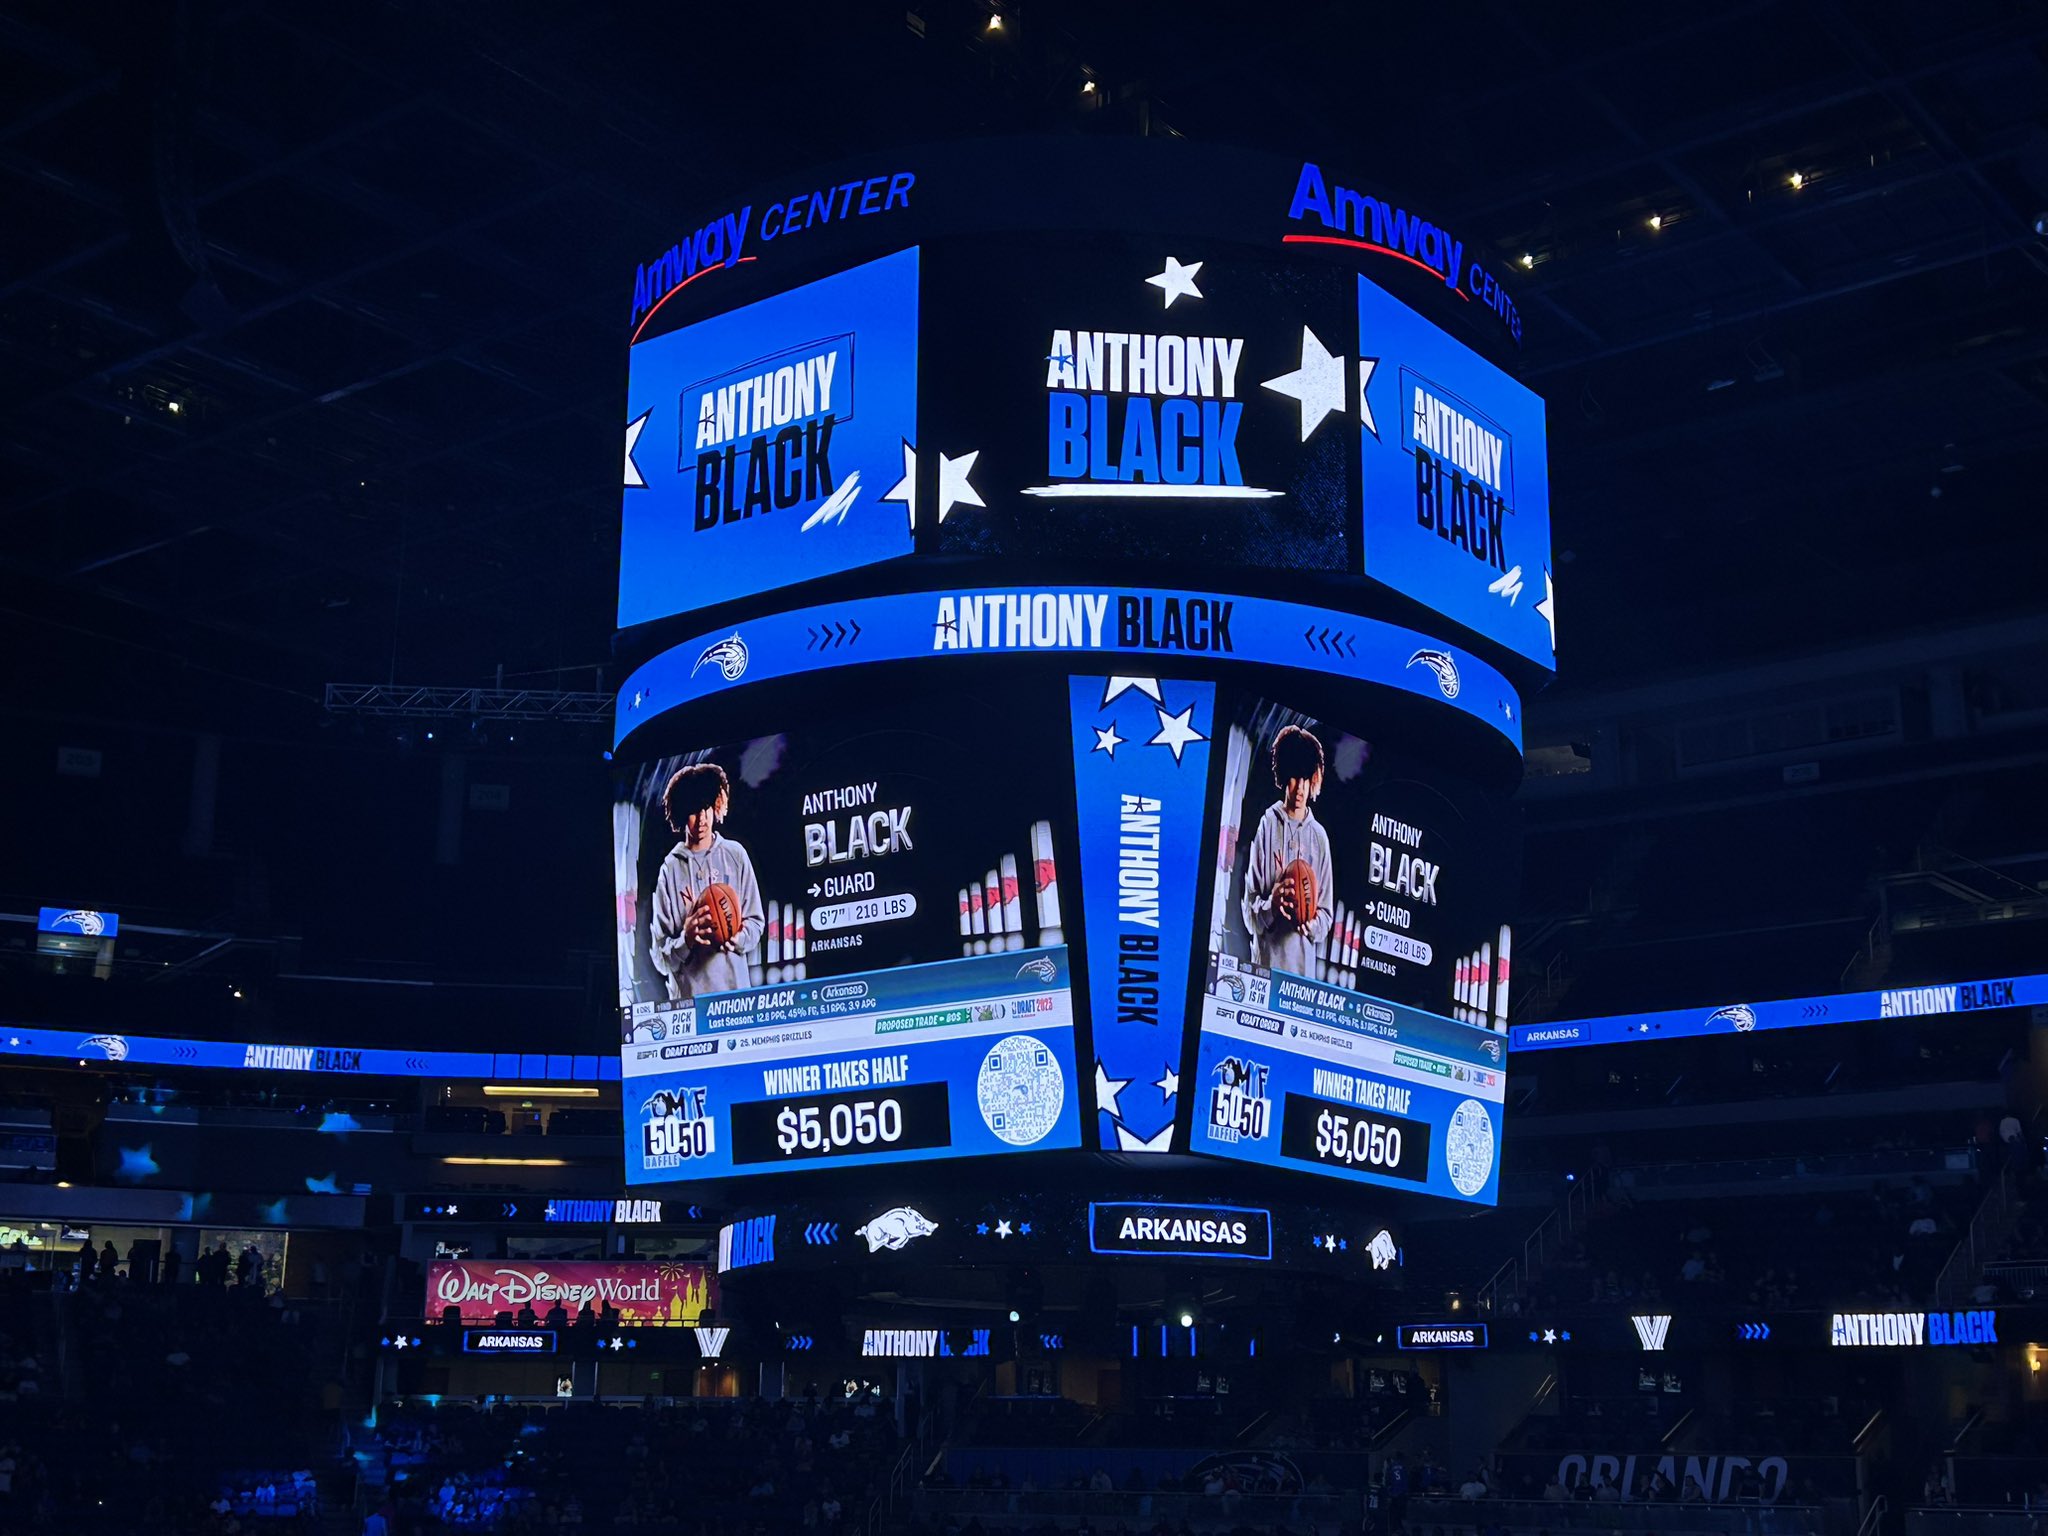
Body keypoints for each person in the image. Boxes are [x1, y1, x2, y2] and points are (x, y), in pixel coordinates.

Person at [648, 763, 765, 1001]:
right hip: (691, 1005)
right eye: (692, 811)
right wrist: (687, 939)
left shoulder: (735, 855)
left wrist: (736, 938)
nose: (701, 819)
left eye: (706, 808)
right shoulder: (669, 870)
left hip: (736, 998)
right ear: (681, 814)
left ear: (716, 807)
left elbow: (756, 922)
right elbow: (661, 958)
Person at [1240, 724, 1334, 975]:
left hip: (1301, 980)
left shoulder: (1319, 837)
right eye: (1294, 777)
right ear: (1283, 776)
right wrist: (1273, 904)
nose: (1300, 788)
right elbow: (1250, 916)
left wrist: (1310, 925)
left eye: (1306, 779)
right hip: (1263, 969)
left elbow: (1326, 915)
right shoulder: (1267, 824)